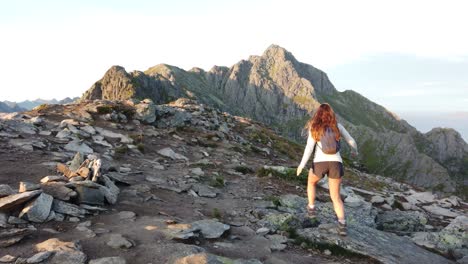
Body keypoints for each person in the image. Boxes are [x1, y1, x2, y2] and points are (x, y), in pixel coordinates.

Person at [296, 103, 358, 236]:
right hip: (336, 163)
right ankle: (342, 225)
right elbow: (351, 140)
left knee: (311, 183)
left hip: (320, 163)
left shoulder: (315, 127)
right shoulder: (337, 127)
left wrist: (301, 165)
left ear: (318, 114)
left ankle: (311, 209)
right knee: (335, 196)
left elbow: (309, 149)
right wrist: (355, 150)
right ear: (331, 114)